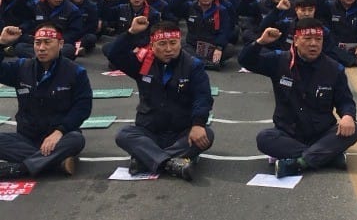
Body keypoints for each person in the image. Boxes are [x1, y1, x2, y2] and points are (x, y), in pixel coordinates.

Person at [238, 18, 357, 178]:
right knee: (264, 138)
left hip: (321, 132)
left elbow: (345, 101)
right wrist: (260, 42)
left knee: (353, 131)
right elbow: (246, 61)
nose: (313, 44)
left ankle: (299, 162)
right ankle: (327, 156)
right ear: (295, 40)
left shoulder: (334, 69)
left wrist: (348, 116)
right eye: (308, 39)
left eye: (318, 39)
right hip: (288, 133)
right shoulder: (279, 60)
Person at [104, 17, 214, 181]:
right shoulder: (142, 63)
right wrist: (131, 32)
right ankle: (171, 163)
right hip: (149, 130)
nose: (169, 48)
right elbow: (113, 53)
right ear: (152, 45)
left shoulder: (193, 65)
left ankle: (146, 160)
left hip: (181, 131)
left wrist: (198, 124)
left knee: (207, 134)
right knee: (124, 134)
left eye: (173, 42)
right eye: (162, 44)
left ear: (179, 42)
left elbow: (203, 97)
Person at [0, 23, 93, 179]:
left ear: (60, 44)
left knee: (76, 139)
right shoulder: (21, 67)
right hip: (27, 138)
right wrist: (1, 43)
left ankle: (22, 168)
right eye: (38, 42)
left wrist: (60, 131)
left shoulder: (75, 71)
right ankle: (56, 162)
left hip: (59, 138)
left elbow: (83, 107)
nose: (41, 48)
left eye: (47, 42)